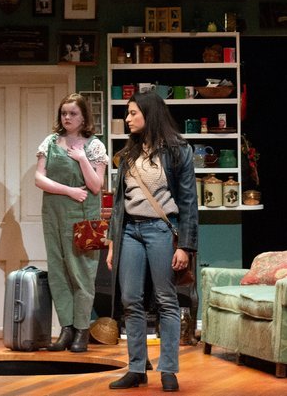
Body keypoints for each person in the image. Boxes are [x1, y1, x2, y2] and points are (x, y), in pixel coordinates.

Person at [106, 91, 198, 392]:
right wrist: (111, 242)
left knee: (166, 300)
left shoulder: (177, 151)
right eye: (127, 113)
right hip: (130, 232)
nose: (127, 118)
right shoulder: (128, 153)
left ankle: (168, 370)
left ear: (150, 113)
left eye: (133, 112)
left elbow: (188, 202)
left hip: (161, 230)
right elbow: (120, 202)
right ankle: (136, 368)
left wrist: (185, 246)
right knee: (130, 300)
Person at [34, 93, 108, 352]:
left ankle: (82, 330)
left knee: (82, 274)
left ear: (84, 116)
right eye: (64, 113)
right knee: (58, 272)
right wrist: (68, 190)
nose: (67, 117)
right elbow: (39, 179)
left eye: (73, 113)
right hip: (54, 215)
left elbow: (96, 186)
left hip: (84, 218)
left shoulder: (94, 146)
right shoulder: (50, 142)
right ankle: (66, 329)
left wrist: (82, 158)